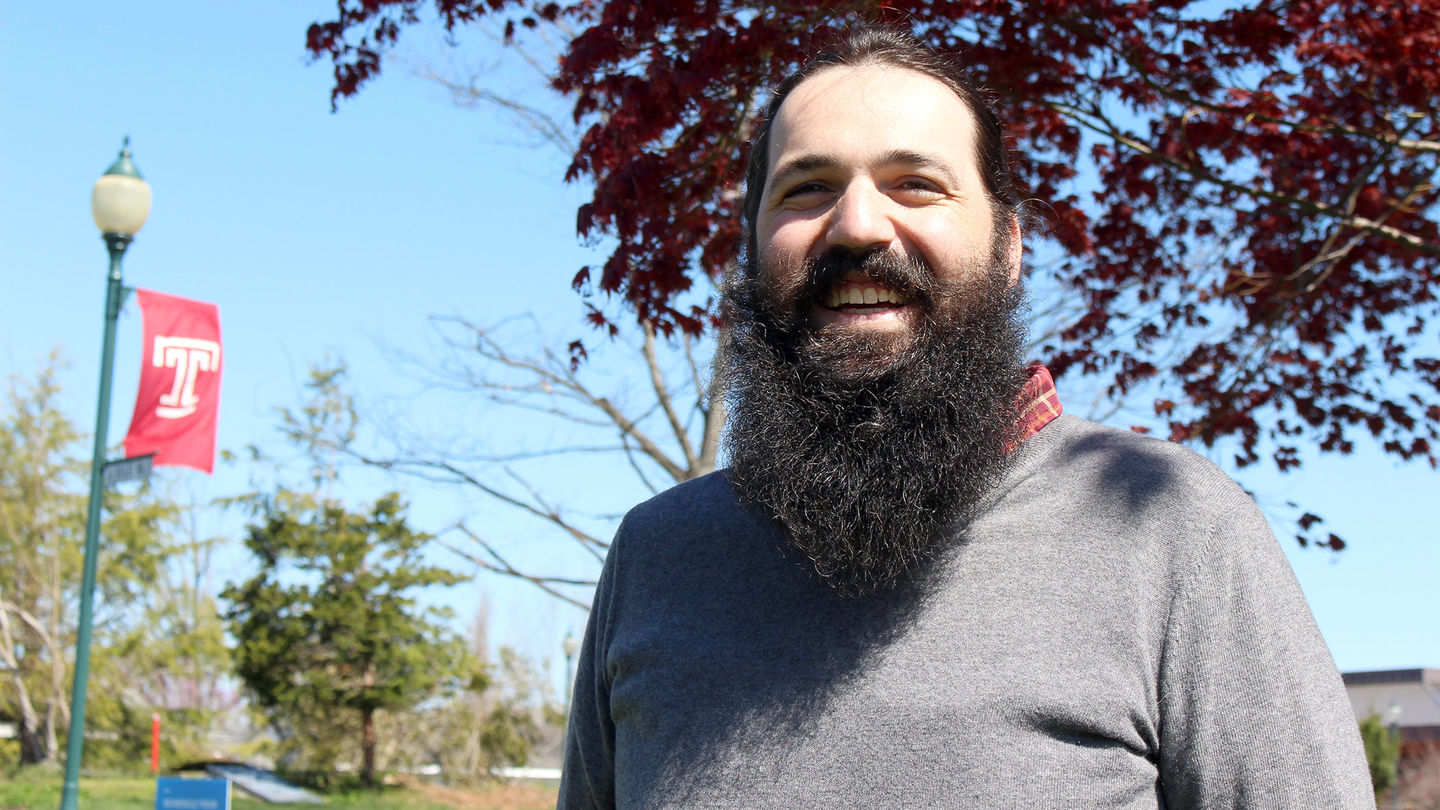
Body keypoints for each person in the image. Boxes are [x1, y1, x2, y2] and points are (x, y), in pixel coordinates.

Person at [558, 26, 1374, 809]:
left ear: (1010, 246)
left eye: (917, 184)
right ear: (752, 245)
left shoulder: (1177, 530)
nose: (858, 225)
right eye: (806, 189)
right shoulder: (656, 556)